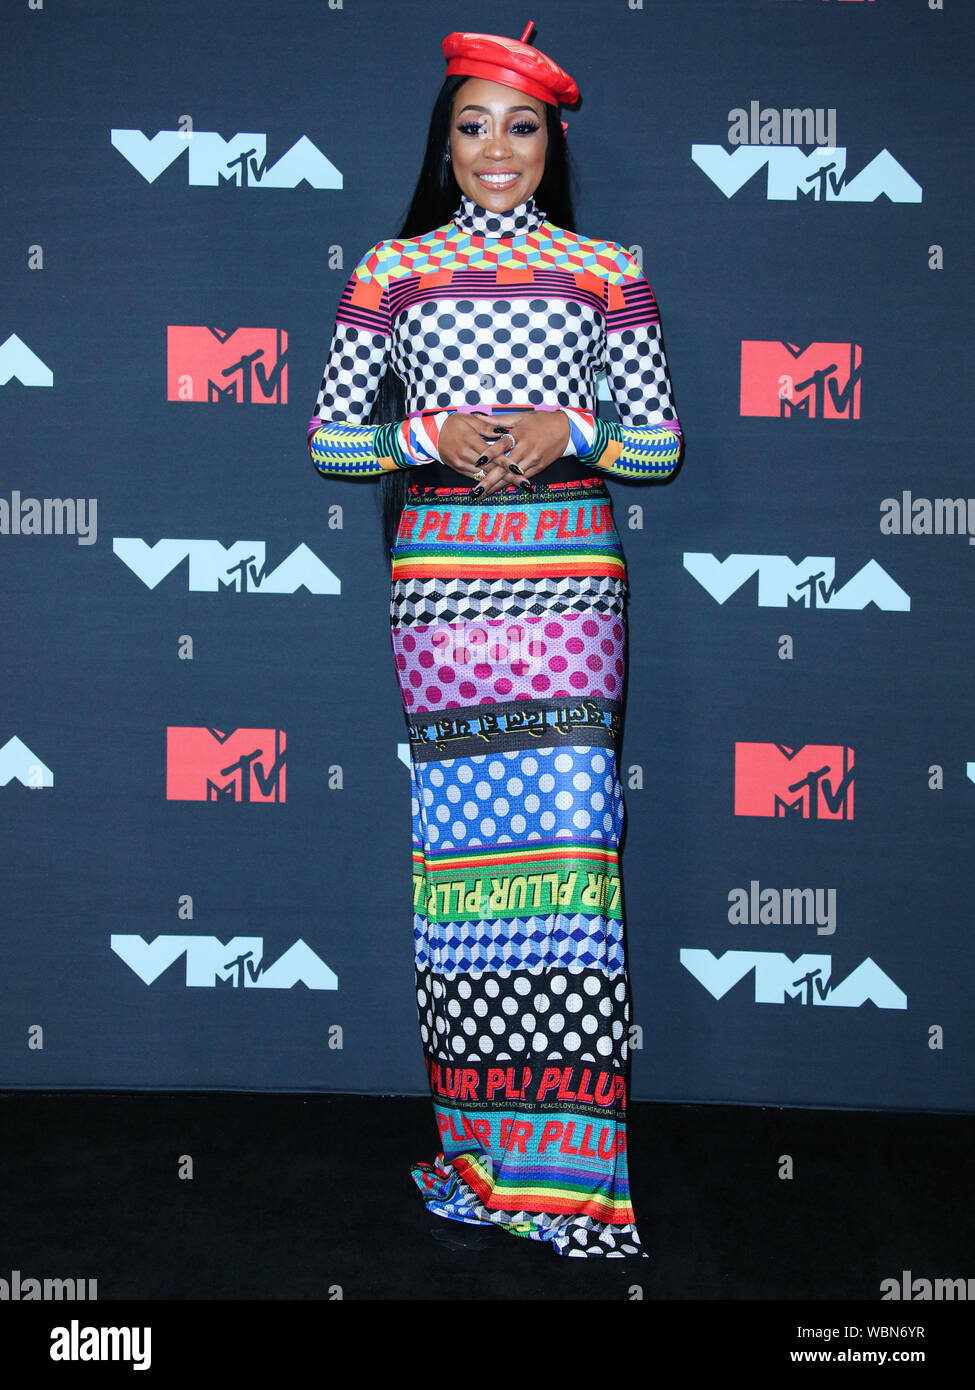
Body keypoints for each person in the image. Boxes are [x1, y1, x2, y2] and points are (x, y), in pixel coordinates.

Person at [307, 24, 682, 1259]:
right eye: (472, 127)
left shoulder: (606, 267)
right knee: (463, 880)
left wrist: (561, 425)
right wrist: (433, 437)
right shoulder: (392, 270)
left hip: (569, 593)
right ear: (445, 142)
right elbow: (330, 441)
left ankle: (573, 1176)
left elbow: (659, 446)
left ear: (551, 139)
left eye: (519, 126)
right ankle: (482, 1152)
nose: (495, 150)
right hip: (444, 602)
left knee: (571, 861)